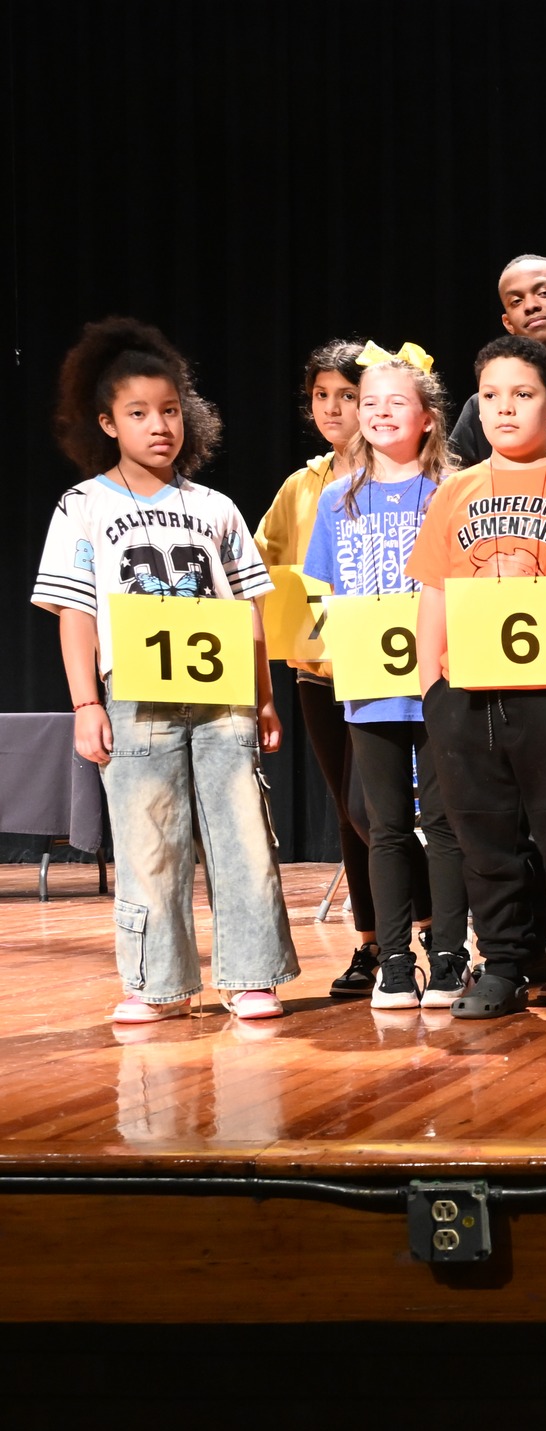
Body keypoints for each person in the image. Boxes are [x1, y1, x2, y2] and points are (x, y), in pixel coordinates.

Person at [33, 318, 299, 1023]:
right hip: (135, 696)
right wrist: (86, 703)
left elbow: (247, 610)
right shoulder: (83, 506)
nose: (159, 426)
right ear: (107, 423)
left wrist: (264, 697)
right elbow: (76, 611)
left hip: (221, 696)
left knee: (242, 834)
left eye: (171, 410)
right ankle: (156, 981)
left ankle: (252, 975)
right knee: (148, 839)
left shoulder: (215, 508)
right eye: (139, 413)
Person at [406, 335, 546, 1022]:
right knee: (485, 842)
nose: (506, 407)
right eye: (492, 395)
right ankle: (503, 964)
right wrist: (431, 688)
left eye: (524, 394)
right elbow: (434, 592)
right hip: (468, 696)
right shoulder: (456, 492)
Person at [303, 343, 470, 1011]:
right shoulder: (336, 499)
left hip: (443, 683)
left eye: (395, 402)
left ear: (428, 417)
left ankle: (452, 954)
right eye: (367, 402)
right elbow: (322, 592)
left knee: (447, 822)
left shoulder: (454, 489)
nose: (377, 412)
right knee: (385, 825)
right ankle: (395, 959)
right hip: (370, 688)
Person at [255, 340, 412, 997]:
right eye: (321, 396)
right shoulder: (302, 485)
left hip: (390, 666)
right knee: (350, 812)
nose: (332, 408)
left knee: (385, 808)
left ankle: (431, 931)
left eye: (347, 395)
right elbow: (258, 563)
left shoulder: (403, 475)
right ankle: (371, 942)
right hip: (319, 668)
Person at [447, 255, 546, 466]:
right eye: (516, 301)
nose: (530, 305)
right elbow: (453, 478)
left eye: (544, 293)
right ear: (508, 323)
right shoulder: (485, 406)